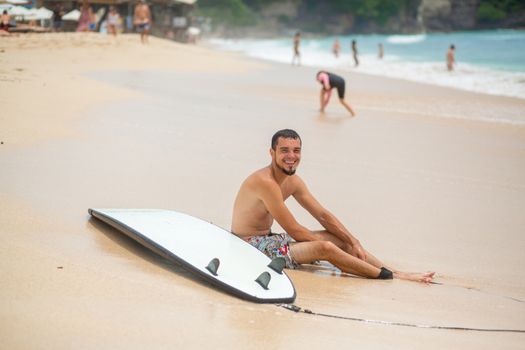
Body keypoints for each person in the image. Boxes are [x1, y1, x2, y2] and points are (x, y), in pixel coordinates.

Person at [231, 129, 435, 283]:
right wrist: (329, 248)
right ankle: (388, 276)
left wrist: (352, 241)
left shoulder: (292, 181)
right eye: (284, 151)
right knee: (325, 246)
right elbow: (293, 229)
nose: (291, 156)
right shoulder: (266, 183)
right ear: (272, 152)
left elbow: (322, 215)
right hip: (249, 246)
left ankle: (395, 271)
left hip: (269, 239)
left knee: (337, 238)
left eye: (296, 151)